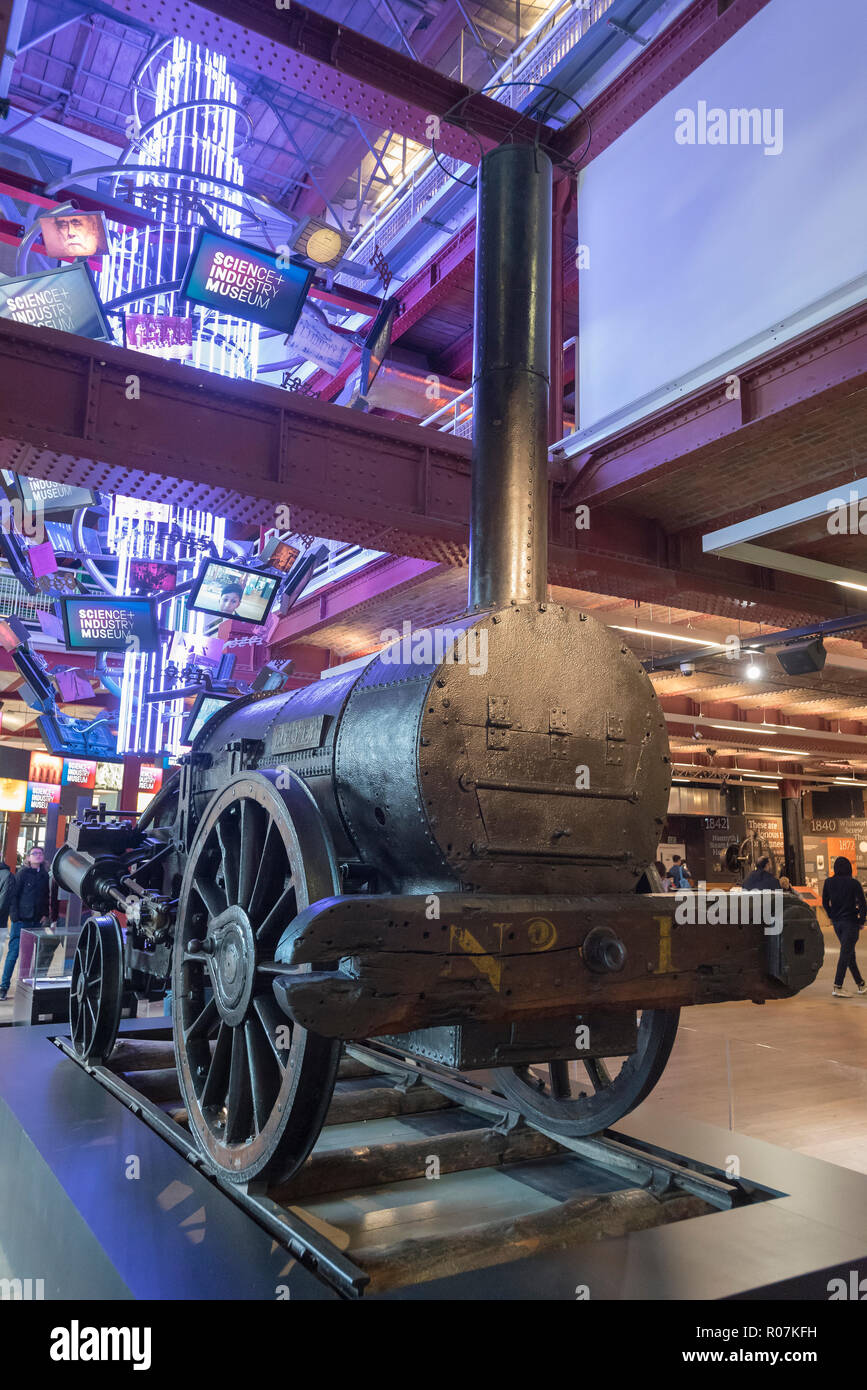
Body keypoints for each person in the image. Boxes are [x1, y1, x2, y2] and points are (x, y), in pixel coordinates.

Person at [0, 845, 50, 1001]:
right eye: (34, 853)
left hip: (36, 920)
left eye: (40, 853)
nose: (38, 855)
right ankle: (3, 987)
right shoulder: (21, 874)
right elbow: (13, 896)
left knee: (28, 955)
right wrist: (15, 917)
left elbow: (46, 896)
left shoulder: (44, 875)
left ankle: (24, 985)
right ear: (28, 858)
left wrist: (45, 914)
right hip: (21, 920)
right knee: (13, 953)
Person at [822, 855, 867, 999]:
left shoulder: (828, 882)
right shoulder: (854, 883)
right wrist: (862, 921)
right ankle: (838, 986)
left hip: (837, 923)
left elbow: (824, 901)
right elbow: (863, 904)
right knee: (845, 953)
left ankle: (861, 984)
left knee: (849, 954)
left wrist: (831, 915)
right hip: (851, 922)